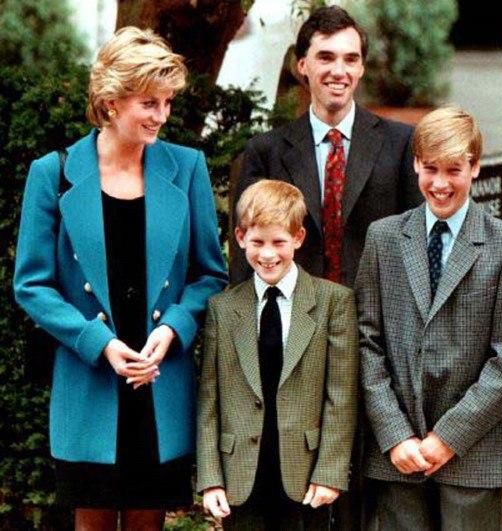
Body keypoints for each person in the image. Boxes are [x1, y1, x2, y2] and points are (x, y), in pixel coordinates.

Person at [13, 27, 227, 530]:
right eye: (149, 103)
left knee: (148, 523)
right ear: (111, 101)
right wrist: (98, 342)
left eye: (168, 102)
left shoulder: (187, 167)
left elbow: (209, 273)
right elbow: (32, 283)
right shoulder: (54, 172)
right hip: (90, 381)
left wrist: (172, 329)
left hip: (161, 381)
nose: (162, 116)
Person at [355, 107, 502, 530]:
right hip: (398, 451)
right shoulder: (383, 238)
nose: (440, 184)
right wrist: (394, 432)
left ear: (475, 167)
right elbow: (366, 339)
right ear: (416, 164)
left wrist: (449, 437)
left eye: (454, 170)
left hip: (472, 449)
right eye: (431, 169)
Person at [197, 180, 359, 530]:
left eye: (278, 242)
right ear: (239, 238)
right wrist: (211, 478)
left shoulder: (333, 302)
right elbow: (209, 400)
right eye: (257, 242)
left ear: (298, 239)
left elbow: (341, 396)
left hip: (305, 474)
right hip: (241, 474)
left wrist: (330, 471)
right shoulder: (223, 309)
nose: (267, 254)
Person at [232, 5, 422, 288]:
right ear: (302, 65)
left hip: (374, 321)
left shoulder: (402, 143)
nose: (339, 71)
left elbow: (417, 245)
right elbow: (245, 257)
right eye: (326, 57)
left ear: (361, 68)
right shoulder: (266, 152)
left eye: (350, 59)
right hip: (294, 321)